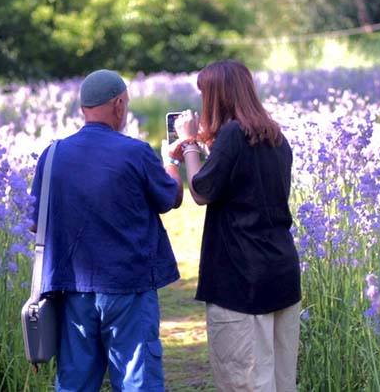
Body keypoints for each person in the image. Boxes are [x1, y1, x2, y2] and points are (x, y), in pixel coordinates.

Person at [29, 69, 184, 392]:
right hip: (129, 286)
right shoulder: (136, 152)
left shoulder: (52, 155)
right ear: (117, 105)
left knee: (75, 382)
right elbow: (171, 197)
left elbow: (34, 223)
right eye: (125, 103)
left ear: (84, 108)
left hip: (73, 291)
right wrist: (172, 158)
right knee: (136, 380)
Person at [169, 59, 301, 392]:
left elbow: (201, 190)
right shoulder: (274, 137)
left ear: (216, 96)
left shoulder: (232, 135)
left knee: (244, 381)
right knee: (280, 381)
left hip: (242, 278)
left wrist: (188, 146)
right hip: (281, 270)